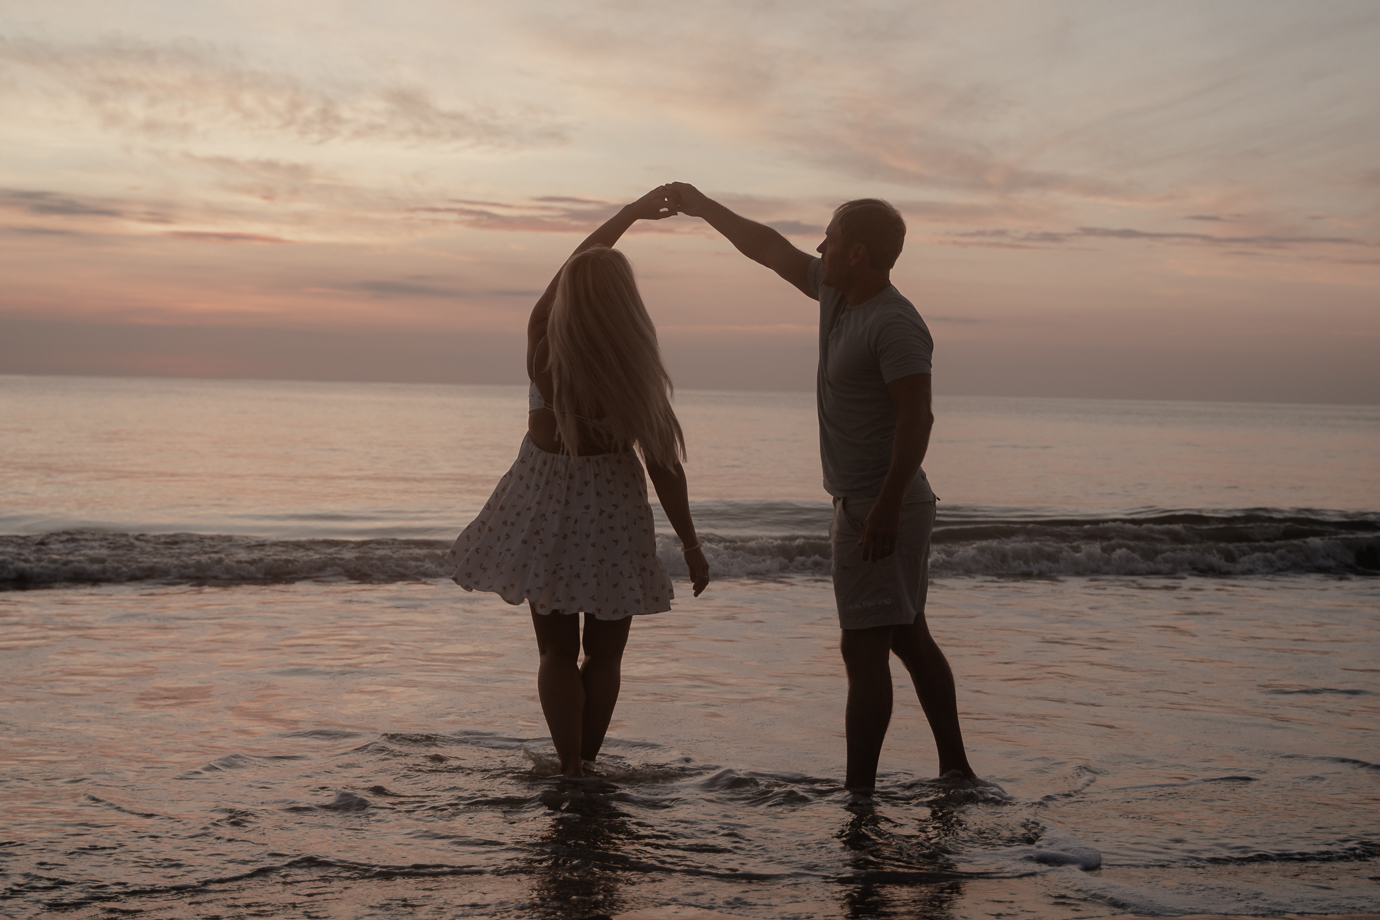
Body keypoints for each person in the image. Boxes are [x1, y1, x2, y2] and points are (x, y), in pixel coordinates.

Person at [668, 183, 981, 792]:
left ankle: (859, 798)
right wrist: (701, 206)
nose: (820, 247)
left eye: (831, 240)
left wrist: (885, 508)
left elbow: (919, 418)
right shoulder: (836, 295)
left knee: (862, 653)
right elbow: (768, 248)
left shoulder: (896, 323)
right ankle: (956, 770)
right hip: (862, 503)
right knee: (910, 637)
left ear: (859, 253)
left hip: (882, 504)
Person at [447, 186, 710, 778]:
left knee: (555, 650)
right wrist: (691, 545)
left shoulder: (545, 349)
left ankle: (568, 767)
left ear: (570, 297)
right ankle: (587, 765)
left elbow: (562, 277)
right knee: (606, 654)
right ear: (627, 308)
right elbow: (666, 467)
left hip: (546, 502)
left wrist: (627, 216)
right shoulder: (635, 376)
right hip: (613, 507)